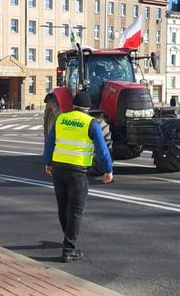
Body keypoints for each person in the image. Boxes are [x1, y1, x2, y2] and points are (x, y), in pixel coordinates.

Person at [43, 91, 113, 263]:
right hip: (77, 171)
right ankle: (68, 249)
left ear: (73, 106)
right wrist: (107, 170)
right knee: (75, 211)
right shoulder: (91, 123)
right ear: (88, 108)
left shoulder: (60, 119)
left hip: (58, 169)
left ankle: (67, 238)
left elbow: (49, 142)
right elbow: (102, 150)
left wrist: (48, 162)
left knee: (63, 207)